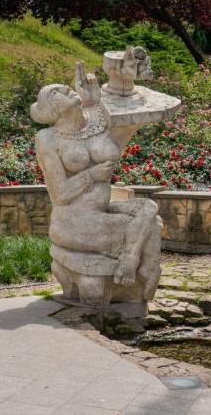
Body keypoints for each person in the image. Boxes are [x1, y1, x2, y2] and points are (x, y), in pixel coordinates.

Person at [30, 62, 161, 306]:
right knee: (151, 227)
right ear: (51, 109)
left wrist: (94, 101)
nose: (66, 89)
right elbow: (59, 194)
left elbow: (118, 130)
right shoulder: (47, 138)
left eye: (64, 87)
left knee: (148, 208)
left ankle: (132, 262)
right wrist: (91, 176)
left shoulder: (95, 121)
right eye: (55, 92)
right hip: (75, 222)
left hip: (100, 213)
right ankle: (143, 276)